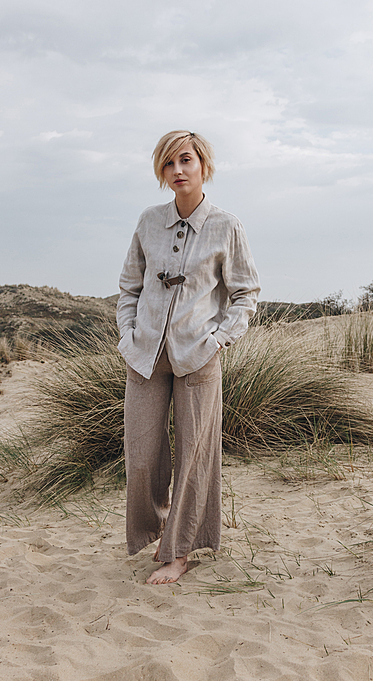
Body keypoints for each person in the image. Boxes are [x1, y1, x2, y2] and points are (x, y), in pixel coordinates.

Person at [116, 130, 260, 584]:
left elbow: (245, 294)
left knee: (194, 457)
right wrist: (127, 334)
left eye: (185, 161)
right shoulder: (147, 221)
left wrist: (218, 340)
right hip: (145, 355)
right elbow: (129, 287)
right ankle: (154, 531)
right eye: (168, 164)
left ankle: (179, 551)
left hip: (197, 356)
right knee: (141, 456)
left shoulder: (226, 225)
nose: (177, 171)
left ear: (203, 166)